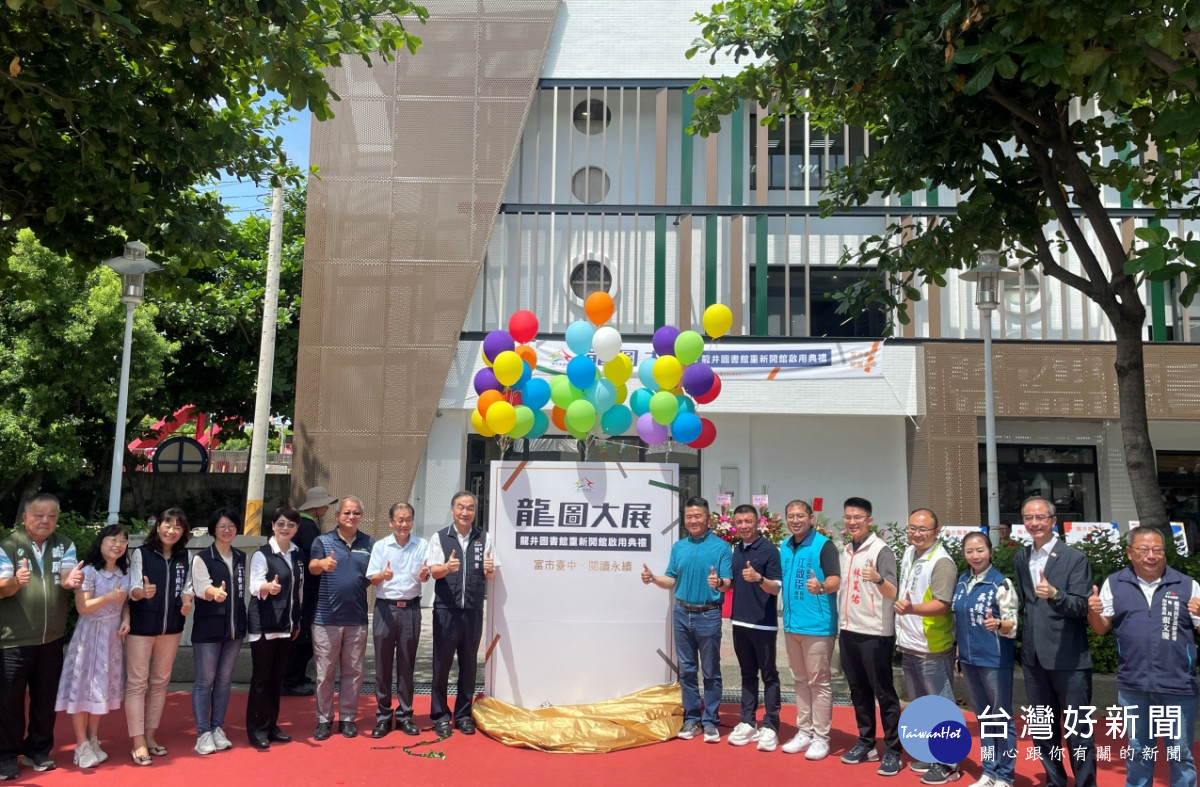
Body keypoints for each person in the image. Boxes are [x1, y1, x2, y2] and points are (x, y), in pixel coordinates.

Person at [1087, 526, 1200, 787]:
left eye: (1157, 550)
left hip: (1177, 685)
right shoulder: (1115, 583)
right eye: (1143, 550)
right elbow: (1101, 627)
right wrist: (1092, 611)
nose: (1151, 555)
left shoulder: (1187, 585)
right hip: (1133, 684)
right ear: (1129, 553)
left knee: (1180, 753)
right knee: (1139, 752)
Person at [1013, 496, 1096, 787]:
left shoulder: (1074, 558)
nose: (1034, 523)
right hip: (1034, 658)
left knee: (1077, 730)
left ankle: (1086, 783)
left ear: (1053, 521)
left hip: (1069, 658)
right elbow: (1027, 605)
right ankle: (1055, 781)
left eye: (1040, 518)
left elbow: (1082, 606)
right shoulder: (1021, 557)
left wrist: (1057, 595)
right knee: (1043, 728)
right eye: (1028, 518)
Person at [0, 493, 84, 780]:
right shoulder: (8, 545)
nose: (45, 520)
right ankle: (6, 756)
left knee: (45, 700)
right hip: (13, 639)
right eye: (38, 515)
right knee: (8, 701)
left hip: (51, 638)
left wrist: (70, 581)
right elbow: (1, 588)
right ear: (24, 517)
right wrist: (14, 582)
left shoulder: (64, 544)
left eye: (52, 516)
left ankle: (38, 750)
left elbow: (65, 576)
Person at [641, 496, 732, 744]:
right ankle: (692, 718)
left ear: (708, 518)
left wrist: (719, 583)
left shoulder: (721, 547)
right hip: (681, 614)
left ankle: (711, 721)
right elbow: (671, 578)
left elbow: (728, 583)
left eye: (698, 516)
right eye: (689, 517)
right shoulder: (679, 547)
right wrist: (654, 579)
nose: (693, 520)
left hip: (708, 615)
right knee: (688, 671)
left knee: (711, 671)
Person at [54, 524, 131, 769]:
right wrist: (108, 598)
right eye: (113, 539)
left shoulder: (124, 572)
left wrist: (126, 618)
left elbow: (125, 601)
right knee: (82, 688)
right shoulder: (88, 571)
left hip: (111, 638)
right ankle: (81, 744)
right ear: (101, 542)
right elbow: (83, 608)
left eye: (123, 541)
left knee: (101, 689)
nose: (118, 544)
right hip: (90, 636)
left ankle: (93, 738)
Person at [837, 496, 902, 777]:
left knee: (883, 694)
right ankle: (866, 742)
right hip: (849, 630)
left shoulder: (882, 550)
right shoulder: (845, 550)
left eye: (857, 518)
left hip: (875, 633)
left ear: (869, 520)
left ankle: (893, 751)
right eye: (848, 517)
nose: (852, 522)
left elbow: (893, 592)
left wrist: (877, 578)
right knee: (858, 692)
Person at [894, 508, 959, 784]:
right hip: (909, 642)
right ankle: (933, 753)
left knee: (940, 704)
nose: (916, 533)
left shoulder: (942, 562)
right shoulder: (910, 553)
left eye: (923, 529)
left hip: (932, 645)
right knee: (921, 705)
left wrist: (911, 609)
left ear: (937, 530)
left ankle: (949, 762)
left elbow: (942, 603)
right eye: (912, 528)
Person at [126, 508, 193, 765]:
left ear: (183, 532)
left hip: (172, 628)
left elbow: (187, 588)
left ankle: (150, 735)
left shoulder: (184, 556)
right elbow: (131, 588)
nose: (171, 530)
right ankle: (137, 741)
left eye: (177, 526)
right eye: (168, 524)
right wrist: (141, 593)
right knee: (136, 683)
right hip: (141, 628)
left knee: (161, 682)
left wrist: (187, 602)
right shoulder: (141, 554)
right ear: (158, 527)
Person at [428, 491, 497, 736]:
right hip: (446, 609)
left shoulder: (484, 537)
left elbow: (490, 574)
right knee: (442, 663)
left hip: (473, 610)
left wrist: (490, 570)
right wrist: (446, 567)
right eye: (460, 507)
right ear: (452, 510)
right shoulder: (440, 537)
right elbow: (432, 572)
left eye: (469, 508)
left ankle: (463, 715)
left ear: (474, 512)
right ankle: (440, 716)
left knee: (469, 664)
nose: (465, 512)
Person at [952, 531, 1018, 787]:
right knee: (984, 717)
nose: (975, 555)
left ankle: (1005, 776)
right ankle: (989, 772)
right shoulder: (961, 582)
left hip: (994, 660)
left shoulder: (1001, 584)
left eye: (980, 550)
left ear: (990, 551)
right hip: (969, 660)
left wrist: (999, 623)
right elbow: (959, 621)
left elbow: (1013, 625)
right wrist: (959, 652)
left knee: (1001, 718)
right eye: (969, 551)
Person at [778, 499, 839, 760]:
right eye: (790, 516)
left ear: (811, 518)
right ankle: (804, 731)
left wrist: (822, 587)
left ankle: (821, 737)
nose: (795, 520)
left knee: (819, 682)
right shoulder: (785, 545)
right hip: (792, 624)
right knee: (800, 680)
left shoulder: (823, 545)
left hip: (817, 627)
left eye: (800, 515)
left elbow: (836, 579)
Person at [308, 495, 373, 740]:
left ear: (361, 517)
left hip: (356, 618)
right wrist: (322, 564)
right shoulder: (323, 541)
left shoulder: (369, 543)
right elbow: (312, 567)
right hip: (326, 618)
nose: (351, 516)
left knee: (354, 672)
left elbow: (369, 576)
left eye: (356, 513)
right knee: (325, 673)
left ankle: (347, 718)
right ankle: (324, 719)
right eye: (346, 512)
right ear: (337, 516)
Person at [367, 502, 430, 738]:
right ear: (391, 522)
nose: (404, 524)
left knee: (407, 666)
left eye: (408, 519)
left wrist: (425, 575)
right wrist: (382, 575)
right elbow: (372, 579)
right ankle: (383, 717)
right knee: (383, 666)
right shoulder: (381, 546)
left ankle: (405, 716)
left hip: (411, 610)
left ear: (413, 521)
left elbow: (426, 575)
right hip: (385, 608)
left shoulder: (422, 545)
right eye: (399, 520)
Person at [246, 506, 306, 749]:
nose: (285, 528)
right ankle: (257, 729)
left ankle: (271, 725)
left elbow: (298, 591)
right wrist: (267, 588)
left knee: (276, 678)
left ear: (296, 528)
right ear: (272, 525)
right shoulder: (262, 554)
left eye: (290, 525)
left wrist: (297, 620)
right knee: (261, 679)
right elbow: (253, 585)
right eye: (281, 523)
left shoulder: (297, 554)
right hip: (264, 623)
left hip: (287, 624)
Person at [190, 507, 248, 756]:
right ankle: (203, 732)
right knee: (205, 681)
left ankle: (217, 728)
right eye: (222, 526)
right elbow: (201, 588)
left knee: (224, 681)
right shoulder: (202, 557)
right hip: (209, 627)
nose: (227, 530)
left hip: (235, 628)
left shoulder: (241, 557)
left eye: (231, 526)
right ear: (214, 529)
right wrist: (215, 593)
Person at [726, 504, 783, 752]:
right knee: (747, 675)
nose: (743, 526)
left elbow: (776, 588)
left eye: (748, 521)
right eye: (739, 522)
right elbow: (733, 585)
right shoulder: (736, 550)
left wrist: (759, 578)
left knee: (769, 675)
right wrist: (720, 583)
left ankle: (770, 725)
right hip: (739, 622)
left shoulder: (770, 551)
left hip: (763, 624)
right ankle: (748, 721)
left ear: (757, 522)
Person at [283, 485, 337, 696]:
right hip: (307, 589)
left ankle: (296, 676)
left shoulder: (301, 524)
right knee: (304, 635)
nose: (326, 508)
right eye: (325, 504)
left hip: (300, 587)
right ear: (318, 506)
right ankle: (291, 680)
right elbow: (311, 560)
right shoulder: (308, 528)